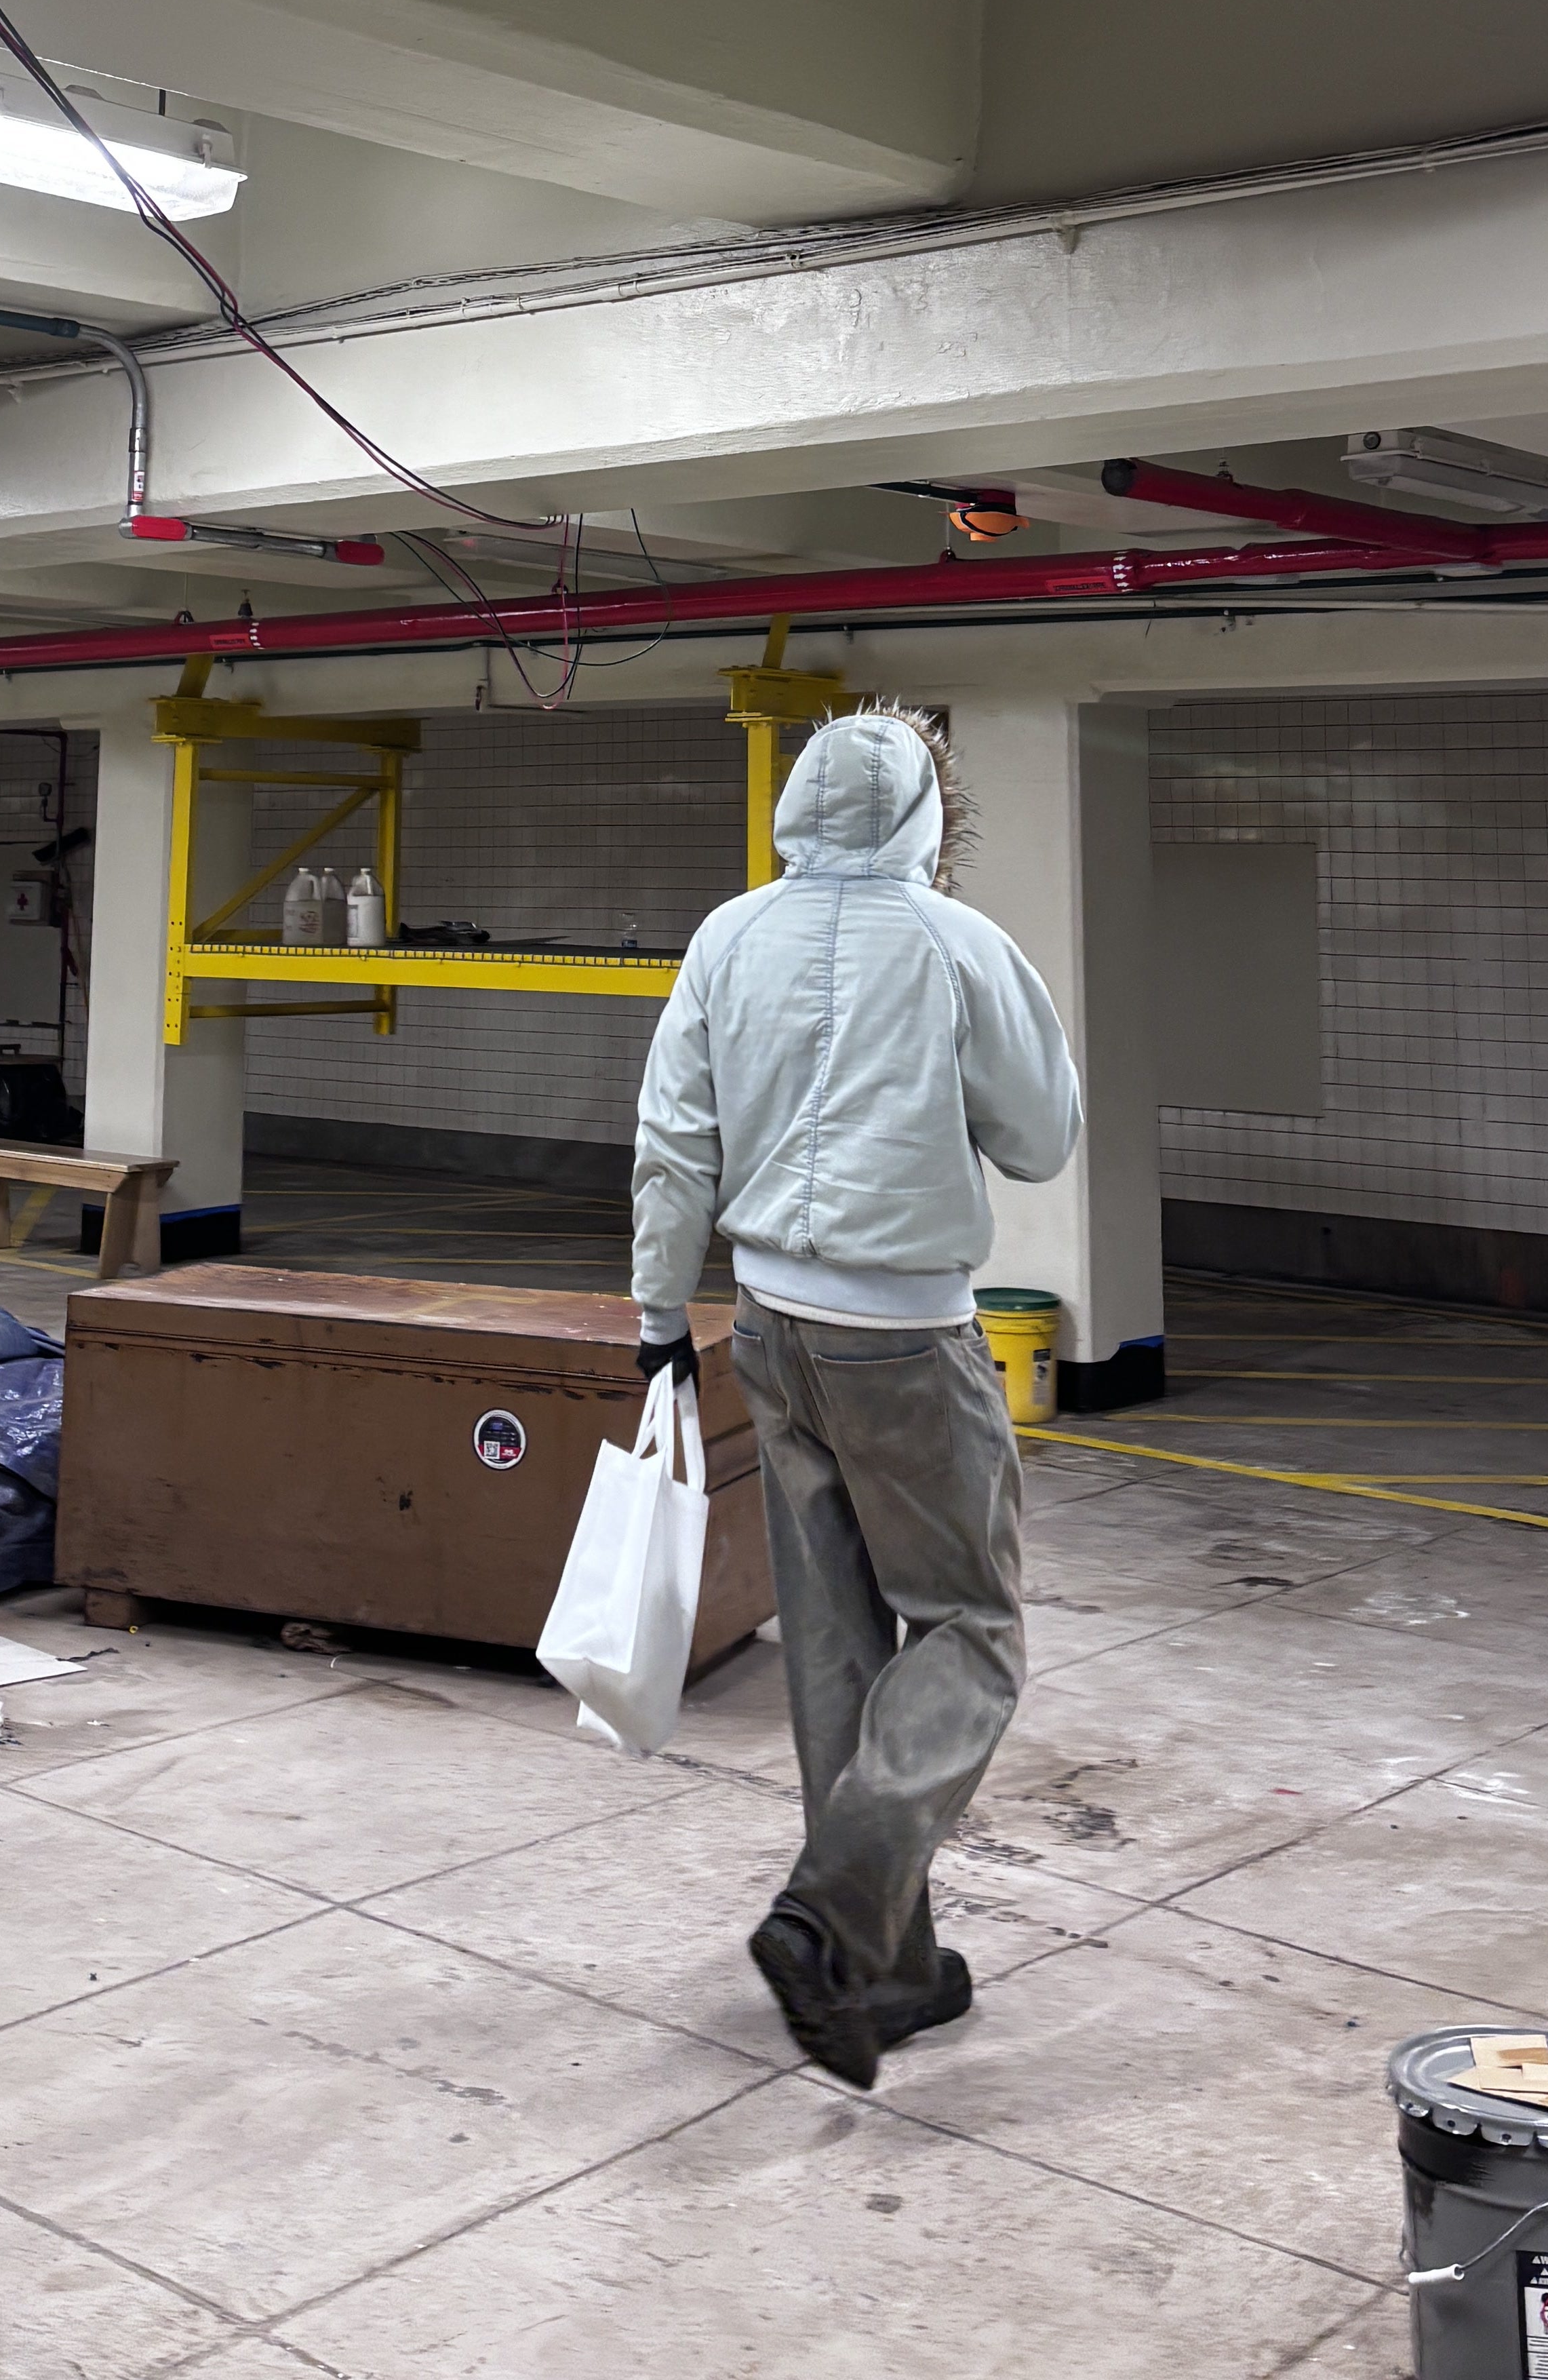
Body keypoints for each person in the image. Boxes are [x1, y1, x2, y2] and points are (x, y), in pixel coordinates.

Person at [631, 703, 1081, 2089]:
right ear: (925, 820)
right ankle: (833, 1920)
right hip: (904, 1336)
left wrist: (658, 1315)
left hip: (767, 1325)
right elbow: (1046, 1138)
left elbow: (672, 1136)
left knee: (835, 1640)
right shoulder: (960, 947)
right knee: (971, 1627)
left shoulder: (728, 934)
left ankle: (884, 1971)